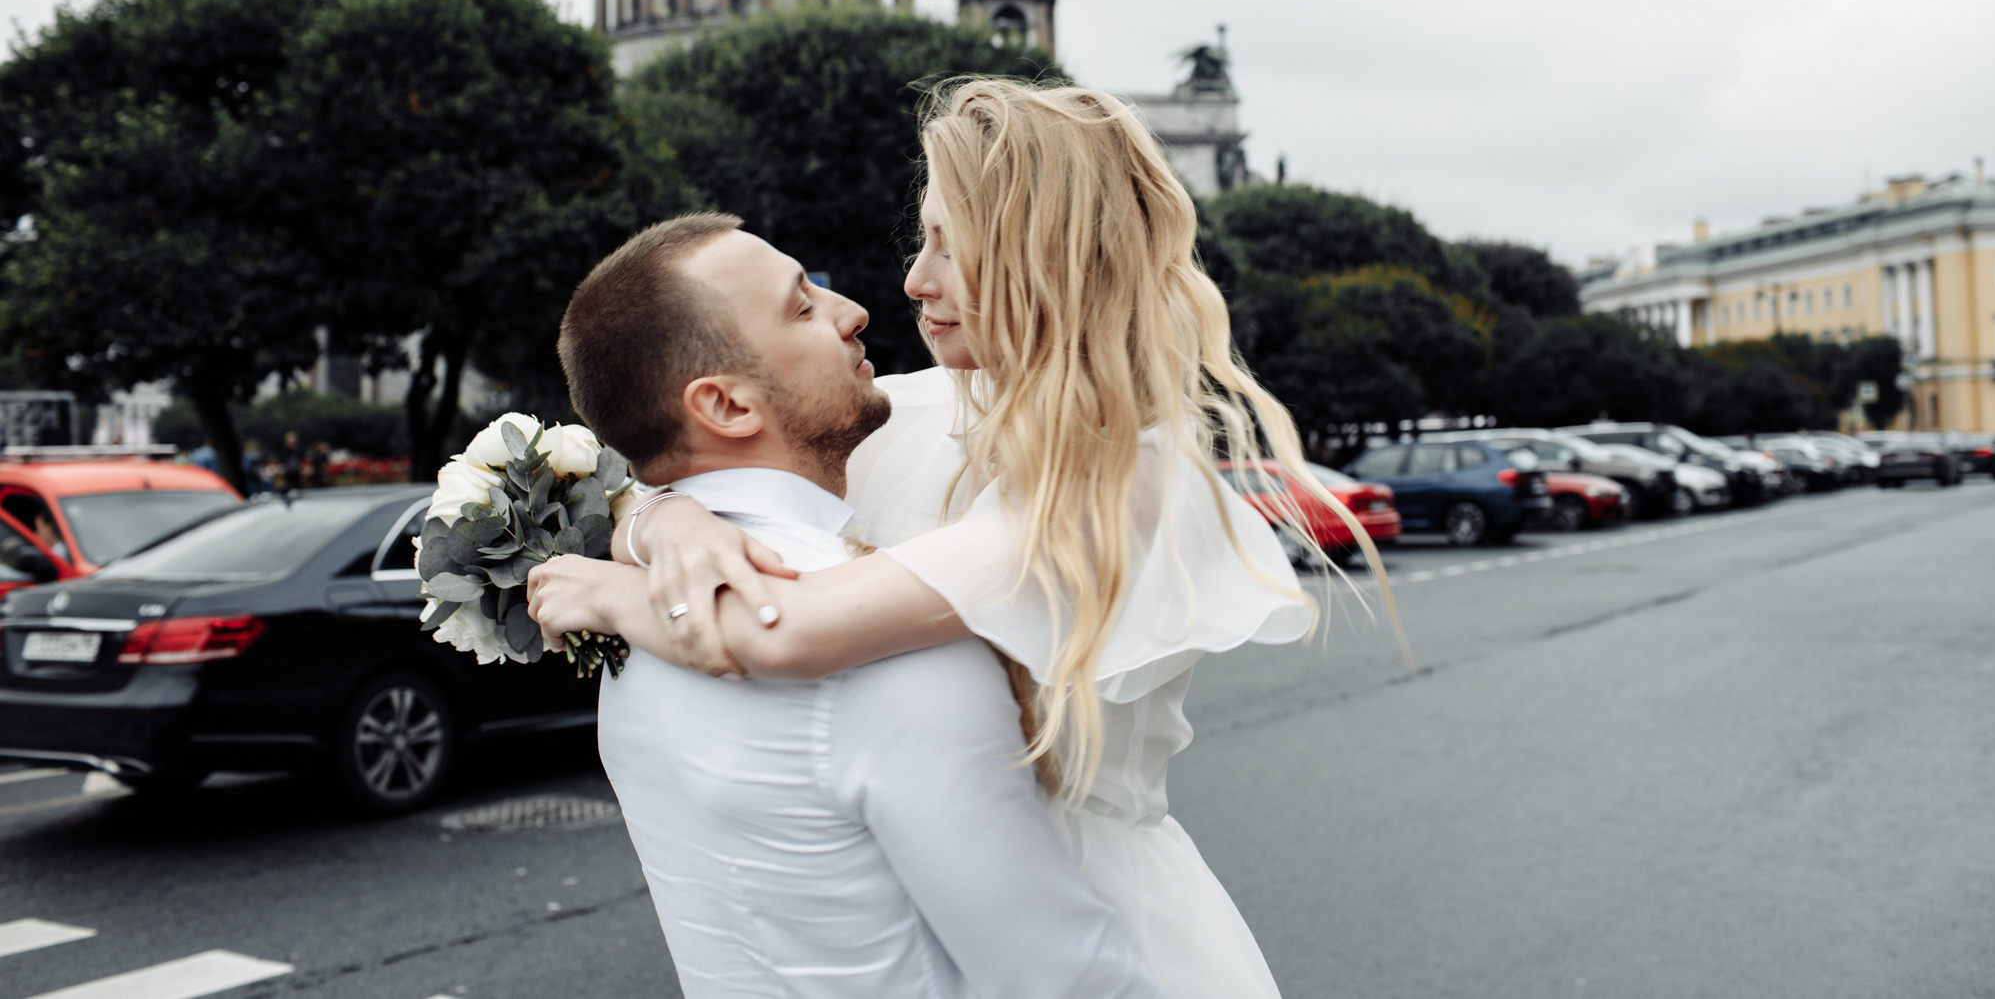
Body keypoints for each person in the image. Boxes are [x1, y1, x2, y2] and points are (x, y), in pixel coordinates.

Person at [533, 80, 1404, 998]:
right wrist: (665, 517)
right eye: (922, 239)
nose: (911, 280)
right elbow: (695, 451)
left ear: (1044, 259)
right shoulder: (909, 409)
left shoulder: (1125, 479)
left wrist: (605, 591)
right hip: (932, 886)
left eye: (951, 245)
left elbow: (778, 628)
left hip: (1102, 910)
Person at [528, 213, 1165, 999]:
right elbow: (1068, 979)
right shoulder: (889, 649)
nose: (854, 310)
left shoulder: (639, 626)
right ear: (725, 406)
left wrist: (657, 518)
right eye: (802, 307)